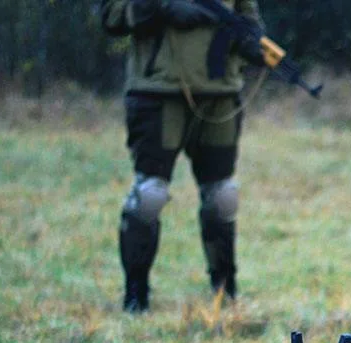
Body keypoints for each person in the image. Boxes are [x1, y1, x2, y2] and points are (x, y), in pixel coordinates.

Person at [100, 0, 267, 312]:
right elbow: (112, 16)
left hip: (219, 93)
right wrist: (162, 7)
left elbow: (249, 20)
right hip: (157, 92)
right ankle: (136, 296)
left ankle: (224, 292)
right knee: (149, 195)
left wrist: (251, 43)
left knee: (222, 197)